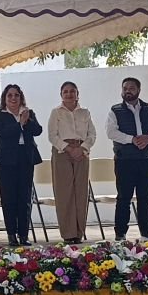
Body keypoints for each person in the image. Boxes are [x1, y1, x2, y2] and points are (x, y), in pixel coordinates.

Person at [105, 77, 148, 241]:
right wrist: (131, 139)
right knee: (123, 198)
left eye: (131, 88)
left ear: (138, 90)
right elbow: (111, 132)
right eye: (125, 88)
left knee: (145, 198)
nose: (127, 91)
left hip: (146, 159)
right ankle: (120, 233)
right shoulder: (115, 110)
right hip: (125, 160)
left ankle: (147, 232)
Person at [0, 84, 43, 246]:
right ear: (5, 98)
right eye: (10, 95)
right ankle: (11, 234)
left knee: (25, 198)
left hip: (25, 159)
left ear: (21, 97)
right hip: (6, 161)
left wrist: (26, 121)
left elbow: (38, 130)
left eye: (16, 95)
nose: (13, 98)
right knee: (9, 198)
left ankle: (23, 235)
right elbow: (1, 133)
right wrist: (19, 123)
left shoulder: (28, 113)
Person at [47, 81, 96, 244]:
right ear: (61, 95)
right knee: (64, 193)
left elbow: (92, 134)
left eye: (72, 91)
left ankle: (79, 232)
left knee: (81, 192)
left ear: (77, 94)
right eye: (66, 91)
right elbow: (52, 136)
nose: (69, 94)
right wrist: (68, 149)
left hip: (82, 152)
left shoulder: (85, 112)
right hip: (62, 152)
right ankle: (68, 234)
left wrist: (82, 148)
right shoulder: (56, 112)